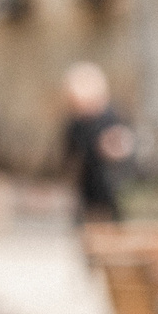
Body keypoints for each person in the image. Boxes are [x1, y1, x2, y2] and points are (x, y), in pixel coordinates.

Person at [60, 61, 133, 223]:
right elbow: (70, 156)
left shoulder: (113, 117)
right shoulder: (75, 123)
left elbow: (124, 150)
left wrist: (115, 149)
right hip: (87, 186)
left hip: (111, 187)